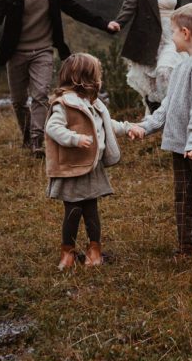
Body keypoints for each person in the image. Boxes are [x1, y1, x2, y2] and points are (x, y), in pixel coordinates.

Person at [0, 0, 120, 158]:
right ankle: (26, 136)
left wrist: (104, 24)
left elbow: (75, 9)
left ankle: (37, 142)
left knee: (40, 94)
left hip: (43, 50)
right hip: (15, 52)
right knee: (18, 100)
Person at [128, 2, 192, 272]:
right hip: (180, 147)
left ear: (186, 33)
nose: (171, 37)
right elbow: (168, 106)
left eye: (173, 32)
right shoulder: (184, 66)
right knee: (183, 198)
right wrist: (146, 126)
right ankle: (187, 247)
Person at [45, 53, 130, 269]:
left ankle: (94, 251)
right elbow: (52, 128)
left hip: (92, 167)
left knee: (91, 210)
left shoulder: (94, 104)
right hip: (73, 168)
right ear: (83, 78)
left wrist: (129, 128)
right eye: (97, 74)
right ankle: (68, 253)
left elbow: (108, 124)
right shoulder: (63, 104)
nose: (100, 78)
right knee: (73, 211)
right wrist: (74, 139)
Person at [115, 0, 184, 113]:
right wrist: (118, 23)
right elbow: (128, 8)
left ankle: (172, 113)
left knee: (164, 71)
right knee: (151, 83)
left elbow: (180, 10)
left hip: (172, 37)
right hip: (148, 39)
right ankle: (156, 115)